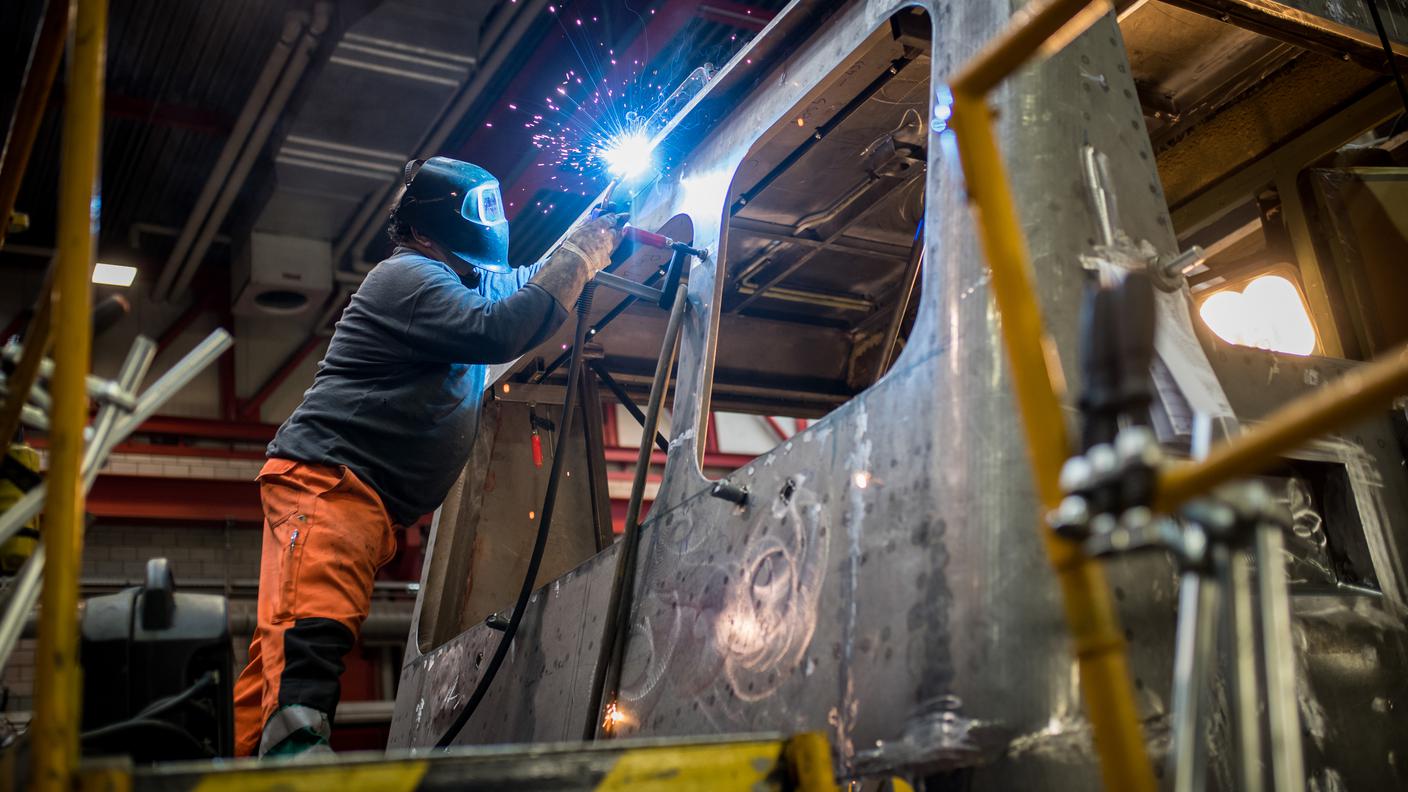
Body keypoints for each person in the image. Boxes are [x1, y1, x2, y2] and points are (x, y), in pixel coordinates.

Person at [232, 156, 624, 757]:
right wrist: (579, 257)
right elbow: (504, 328)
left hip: (363, 499)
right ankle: (294, 755)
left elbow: (529, 283)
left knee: (273, 659)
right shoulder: (408, 276)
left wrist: (595, 234)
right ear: (424, 227)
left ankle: (233, 764)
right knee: (312, 622)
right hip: (329, 482)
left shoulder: (464, 278)